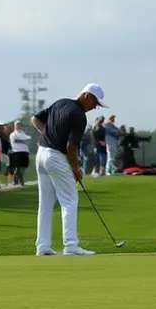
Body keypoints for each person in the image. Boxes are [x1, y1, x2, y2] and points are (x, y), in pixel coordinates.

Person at [32, 84, 106, 256]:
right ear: (86, 96)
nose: (95, 107)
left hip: (41, 154)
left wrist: (47, 135)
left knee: (45, 203)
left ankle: (42, 246)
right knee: (69, 200)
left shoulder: (61, 102)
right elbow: (71, 147)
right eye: (95, 102)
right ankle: (71, 245)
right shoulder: (79, 115)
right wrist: (75, 168)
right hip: (56, 156)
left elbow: (35, 119)